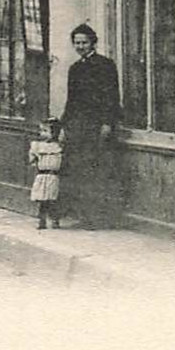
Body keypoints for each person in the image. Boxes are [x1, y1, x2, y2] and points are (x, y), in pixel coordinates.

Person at [60, 23, 123, 228]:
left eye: (84, 42)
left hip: (98, 127)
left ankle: (100, 218)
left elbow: (111, 96)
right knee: (80, 171)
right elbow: (71, 100)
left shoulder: (105, 65)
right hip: (79, 127)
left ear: (93, 43)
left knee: (98, 171)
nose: (80, 46)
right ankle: (85, 216)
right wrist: (64, 127)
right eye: (77, 43)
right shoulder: (75, 69)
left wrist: (107, 123)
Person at [29, 119, 64, 229]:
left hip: (53, 176)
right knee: (42, 200)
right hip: (42, 175)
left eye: (45, 131)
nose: (42, 133)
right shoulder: (37, 146)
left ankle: (54, 219)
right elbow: (32, 160)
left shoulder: (58, 147)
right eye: (41, 131)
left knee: (53, 199)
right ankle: (41, 220)